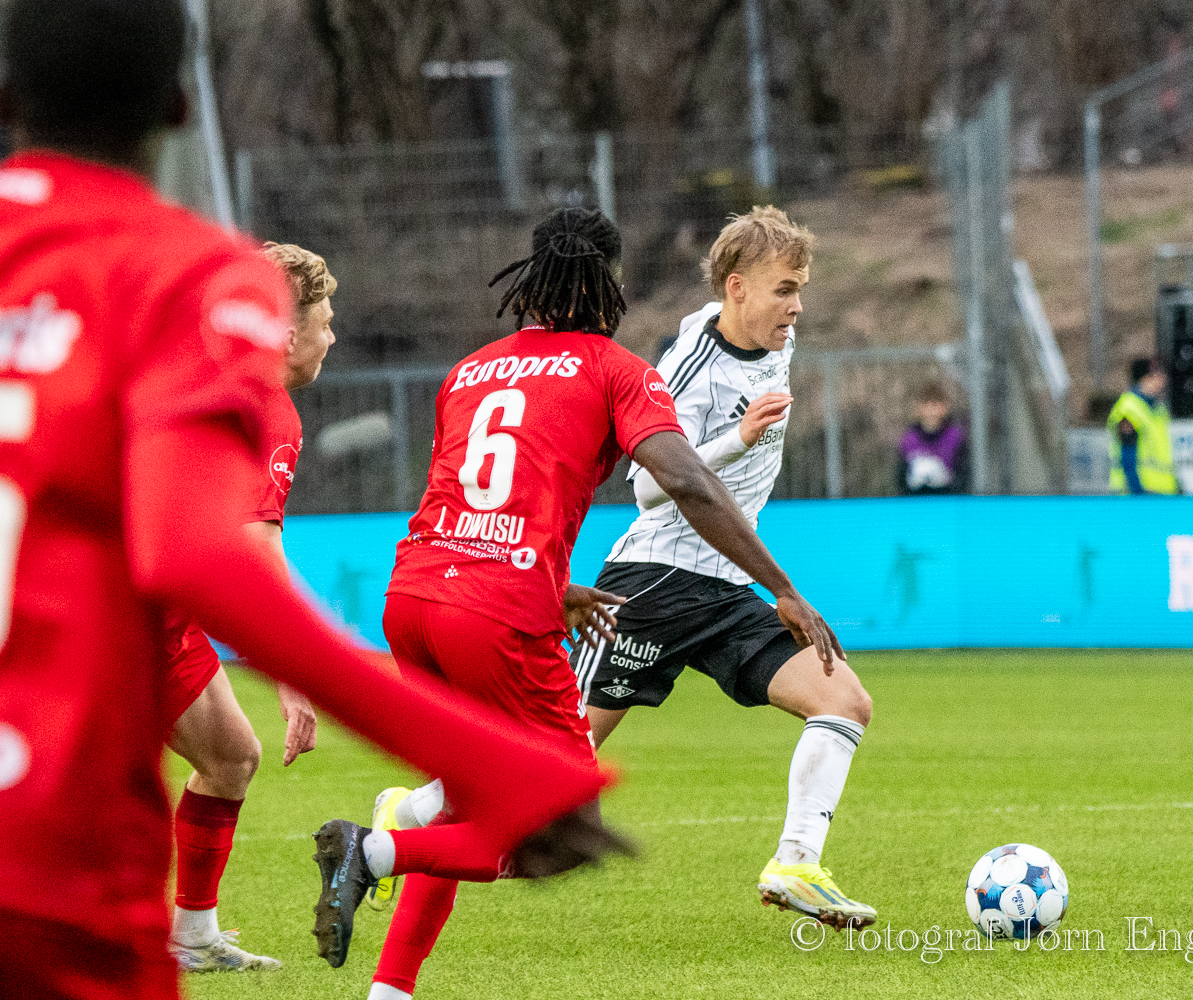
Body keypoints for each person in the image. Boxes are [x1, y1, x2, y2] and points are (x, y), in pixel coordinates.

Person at [0, 4, 618, 997]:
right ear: (179, 106)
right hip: (32, 854)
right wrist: (488, 761)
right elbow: (199, 553)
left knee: (224, 756)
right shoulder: (185, 277)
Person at [350, 207, 843, 1000]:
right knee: (567, 827)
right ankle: (373, 852)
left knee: (463, 801)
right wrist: (783, 588)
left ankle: (390, 988)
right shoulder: (616, 369)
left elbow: (461, 507)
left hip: (413, 598)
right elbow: (679, 482)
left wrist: (556, 587)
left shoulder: (470, 371)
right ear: (606, 282)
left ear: (532, 279)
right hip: (495, 613)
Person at [562, 206, 876, 929]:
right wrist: (738, 437)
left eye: (800, 289)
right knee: (553, 765)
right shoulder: (689, 368)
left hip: (727, 585)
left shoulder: (770, 337)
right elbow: (646, 487)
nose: (796, 307)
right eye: (783, 290)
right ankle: (404, 821)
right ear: (737, 287)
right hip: (655, 583)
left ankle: (796, 864)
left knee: (844, 701)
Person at [162, 242, 335, 973]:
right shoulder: (266, 407)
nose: (333, 337)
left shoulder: (196, 373)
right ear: (289, 335)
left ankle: (193, 938)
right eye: (326, 322)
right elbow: (256, 547)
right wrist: (294, 674)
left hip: (157, 612)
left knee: (230, 756)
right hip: (119, 615)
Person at [1107, 356, 1179, 495]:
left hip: (1162, 491)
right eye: (1157, 376)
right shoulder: (1129, 407)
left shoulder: (1158, 409)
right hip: (1138, 492)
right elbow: (1127, 453)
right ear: (1144, 378)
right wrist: (1137, 491)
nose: (1162, 381)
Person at [897, 380, 969, 495]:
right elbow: (900, 477)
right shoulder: (909, 438)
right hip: (916, 500)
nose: (931, 411)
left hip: (947, 499)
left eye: (935, 405)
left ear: (944, 407)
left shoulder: (955, 437)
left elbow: (964, 475)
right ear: (919, 407)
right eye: (926, 405)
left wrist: (946, 482)